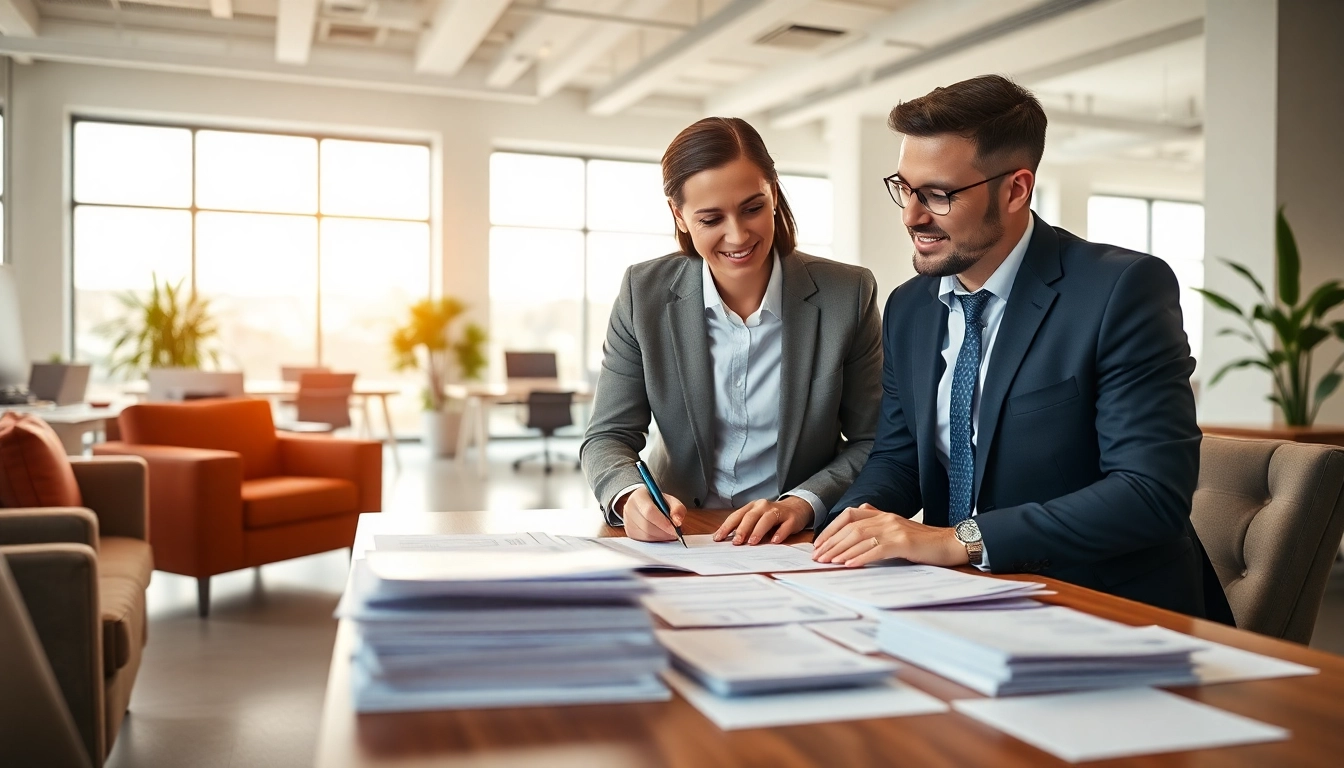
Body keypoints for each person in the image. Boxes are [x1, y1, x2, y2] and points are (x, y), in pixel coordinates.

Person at [812, 75, 1232, 621]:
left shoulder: (1121, 290)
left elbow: (1150, 495)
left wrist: (956, 540)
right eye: (905, 188)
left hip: (1102, 608)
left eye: (938, 195)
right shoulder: (909, 307)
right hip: (958, 601)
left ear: (1015, 189)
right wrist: (841, 530)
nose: (911, 216)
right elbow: (898, 459)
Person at [581, 117, 883, 544]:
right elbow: (608, 435)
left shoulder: (847, 294)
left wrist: (802, 502)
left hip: (793, 538)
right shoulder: (642, 294)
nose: (737, 235)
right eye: (711, 218)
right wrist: (630, 495)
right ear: (679, 215)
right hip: (682, 533)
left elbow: (872, 439)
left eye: (752, 208)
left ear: (773, 194)